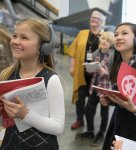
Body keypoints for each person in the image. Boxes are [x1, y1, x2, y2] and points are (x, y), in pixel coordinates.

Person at [0, 18, 65, 150]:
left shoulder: (51, 79)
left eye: (24, 37)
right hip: (10, 144)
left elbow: (58, 127)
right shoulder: (6, 75)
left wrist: (26, 114)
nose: (16, 42)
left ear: (43, 47)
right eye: (15, 36)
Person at [100, 22, 136, 150]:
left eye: (124, 33)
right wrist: (110, 100)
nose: (118, 37)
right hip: (118, 119)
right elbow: (124, 96)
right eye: (116, 35)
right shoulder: (119, 65)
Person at [66, 10, 106, 129]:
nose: (94, 20)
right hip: (82, 72)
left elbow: (109, 53)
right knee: (80, 97)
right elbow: (73, 51)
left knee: (93, 101)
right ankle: (79, 120)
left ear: (101, 22)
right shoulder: (82, 33)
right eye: (92, 18)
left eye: (97, 18)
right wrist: (72, 66)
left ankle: (90, 124)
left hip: (97, 75)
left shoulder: (104, 36)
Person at [75, 31, 114, 147]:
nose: (104, 42)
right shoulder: (96, 53)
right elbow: (92, 69)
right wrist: (90, 69)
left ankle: (101, 133)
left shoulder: (113, 55)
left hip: (105, 89)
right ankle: (90, 131)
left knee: (104, 112)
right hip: (94, 87)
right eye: (103, 39)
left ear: (111, 43)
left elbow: (114, 74)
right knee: (88, 110)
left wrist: (104, 72)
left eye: (107, 40)